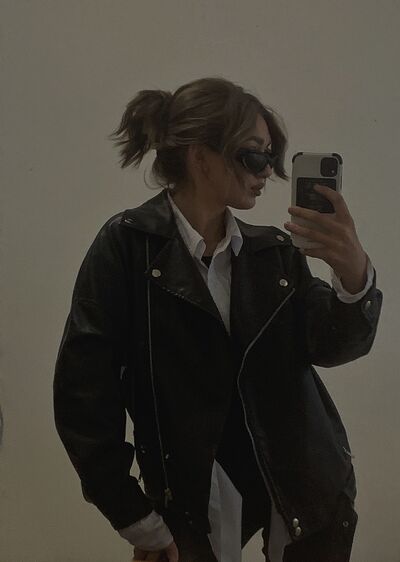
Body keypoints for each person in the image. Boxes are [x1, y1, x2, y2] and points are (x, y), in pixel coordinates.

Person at [53, 76, 383, 562]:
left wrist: (353, 276)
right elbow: (83, 395)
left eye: (270, 156)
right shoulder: (127, 247)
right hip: (191, 501)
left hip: (307, 493)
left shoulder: (273, 253)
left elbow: (333, 346)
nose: (267, 171)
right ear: (200, 156)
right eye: (253, 155)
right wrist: (133, 516)